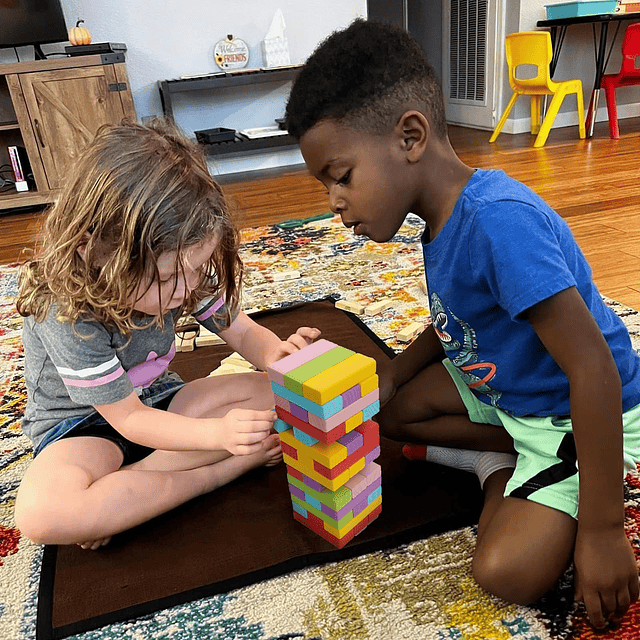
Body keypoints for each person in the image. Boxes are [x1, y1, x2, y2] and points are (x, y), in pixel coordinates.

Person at [284, 18, 640, 630]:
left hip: (575, 411)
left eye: (341, 177)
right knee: (389, 412)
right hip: (511, 394)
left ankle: (519, 469)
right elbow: (457, 318)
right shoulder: (444, 218)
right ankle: (507, 457)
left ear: (410, 136)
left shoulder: (501, 223)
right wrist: (394, 371)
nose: (334, 203)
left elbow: (594, 367)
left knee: (504, 572)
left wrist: (604, 530)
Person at [14, 119, 319, 551]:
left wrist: (279, 355)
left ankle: (128, 496)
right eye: (167, 278)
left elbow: (244, 330)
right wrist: (221, 443)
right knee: (43, 514)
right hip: (83, 429)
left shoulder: (181, 270)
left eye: (196, 268)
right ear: (95, 252)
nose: (187, 288)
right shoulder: (62, 308)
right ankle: (213, 475)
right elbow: (129, 420)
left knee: (285, 393)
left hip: (162, 404)